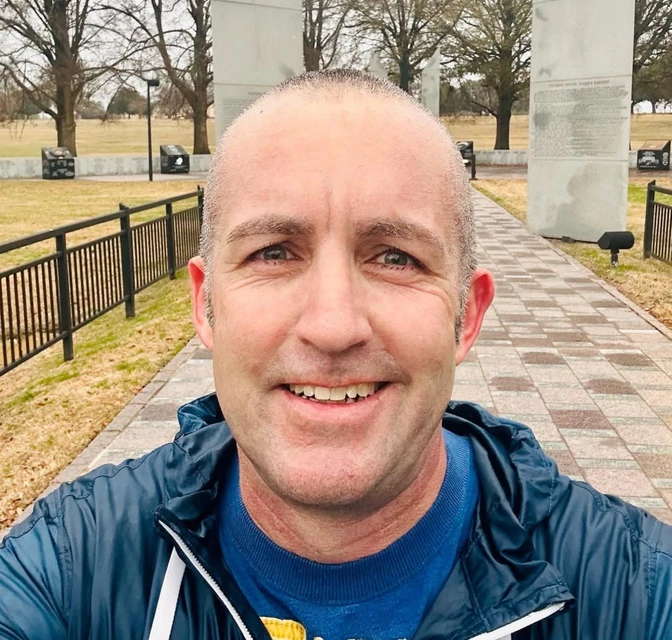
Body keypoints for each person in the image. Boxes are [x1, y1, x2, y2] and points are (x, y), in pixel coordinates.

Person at [0, 69, 671, 640]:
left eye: (395, 257)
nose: (332, 326)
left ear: (466, 315)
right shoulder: (70, 567)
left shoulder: (637, 592)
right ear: (205, 306)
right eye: (273, 252)